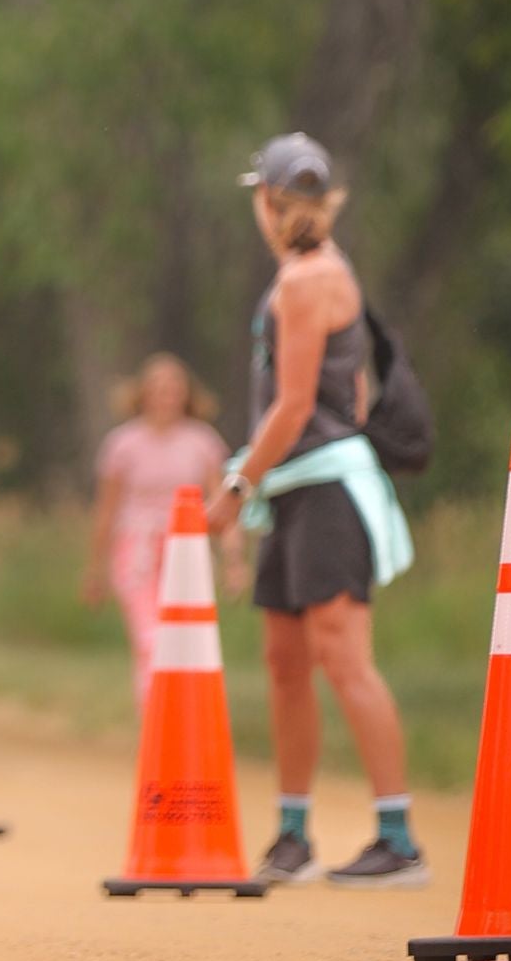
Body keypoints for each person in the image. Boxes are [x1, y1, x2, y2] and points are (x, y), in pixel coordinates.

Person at [207, 133, 424, 888]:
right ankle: (294, 834)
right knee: (286, 661)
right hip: (298, 489)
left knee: (341, 656)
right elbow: (352, 392)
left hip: (325, 488)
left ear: (268, 203)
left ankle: (397, 837)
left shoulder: (306, 282)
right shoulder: (319, 273)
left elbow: (297, 403)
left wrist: (234, 488)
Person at [83, 354, 233, 708]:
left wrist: (233, 558)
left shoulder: (203, 442)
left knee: (187, 641)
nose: (165, 396)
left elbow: (225, 506)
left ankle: (188, 722)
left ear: (186, 394)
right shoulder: (122, 444)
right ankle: (155, 721)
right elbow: (106, 511)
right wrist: (95, 568)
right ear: (143, 394)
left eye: (173, 388)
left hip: (186, 553)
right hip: (136, 549)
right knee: (150, 638)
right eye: (157, 388)